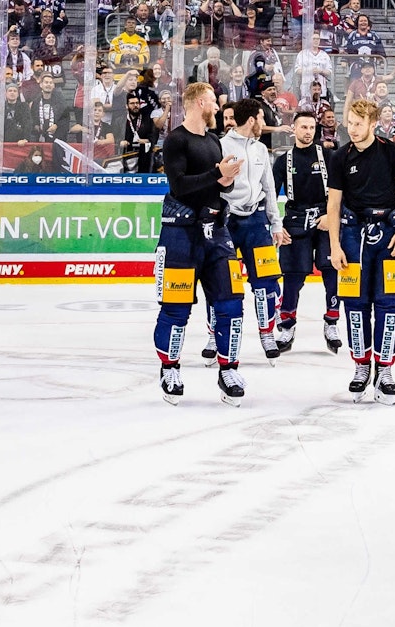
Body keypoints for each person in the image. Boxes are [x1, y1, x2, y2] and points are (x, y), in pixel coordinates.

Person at [154, 82, 248, 406]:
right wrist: (216, 174)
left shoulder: (214, 141)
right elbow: (179, 186)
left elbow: (219, 184)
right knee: (176, 307)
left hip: (217, 232)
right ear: (197, 103)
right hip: (181, 234)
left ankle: (228, 369)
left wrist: (226, 177)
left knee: (231, 302)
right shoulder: (176, 140)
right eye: (212, 102)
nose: (217, 108)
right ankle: (169, 368)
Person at [325, 99, 395, 404]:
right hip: (352, 237)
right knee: (355, 304)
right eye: (349, 122)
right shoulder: (339, 157)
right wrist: (335, 245)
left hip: (390, 236)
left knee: (391, 305)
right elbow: (334, 205)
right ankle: (361, 367)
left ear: (373, 123)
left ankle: (386, 370)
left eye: (358, 123)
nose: (352, 129)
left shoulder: (391, 151)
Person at [219, 99, 289, 362]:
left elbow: (270, 188)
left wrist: (276, 223)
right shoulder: (220, 146)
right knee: (221, 282)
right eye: (261, 118)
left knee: (266, 282)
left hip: (257, 222)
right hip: (226, 222)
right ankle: (214, 336)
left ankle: (267, 333)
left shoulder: (261, 149)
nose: (263, 123)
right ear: (252, 120)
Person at [273, 111, 342, 354]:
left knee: (331, 271)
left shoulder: (329, 157)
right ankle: (287, 325)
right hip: (295, 221)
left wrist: (331, 216)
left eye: (312, 127)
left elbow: (341, 191)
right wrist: (276, 225)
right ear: (294, 129)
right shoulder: (283, 161)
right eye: (303, 127)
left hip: (326, 220)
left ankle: (332, 322)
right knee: (293, 276)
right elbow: (271, 196)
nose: (308, 131)